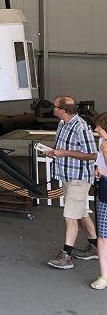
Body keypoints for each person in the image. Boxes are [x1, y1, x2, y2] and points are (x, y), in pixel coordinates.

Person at [44, 95, 99, 269]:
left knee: (70, 216)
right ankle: (95, 247)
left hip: (78, 178)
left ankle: (66, 255)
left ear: (62, 110)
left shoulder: (81, 127)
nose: (52, 108)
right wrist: (53, 152)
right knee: (81, 213)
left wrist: (63, 153)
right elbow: (64, 149)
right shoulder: (63, 123)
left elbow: (92, 154)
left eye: (54, 106)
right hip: (68, 175)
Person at [90, 113, 107, 289]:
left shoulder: (104, 145)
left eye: (99, 127)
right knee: (103, 236)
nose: (96, 129)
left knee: (104, 236)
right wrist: (98, 169)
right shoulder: (101, 143)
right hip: (104, 187)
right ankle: (104, 276)